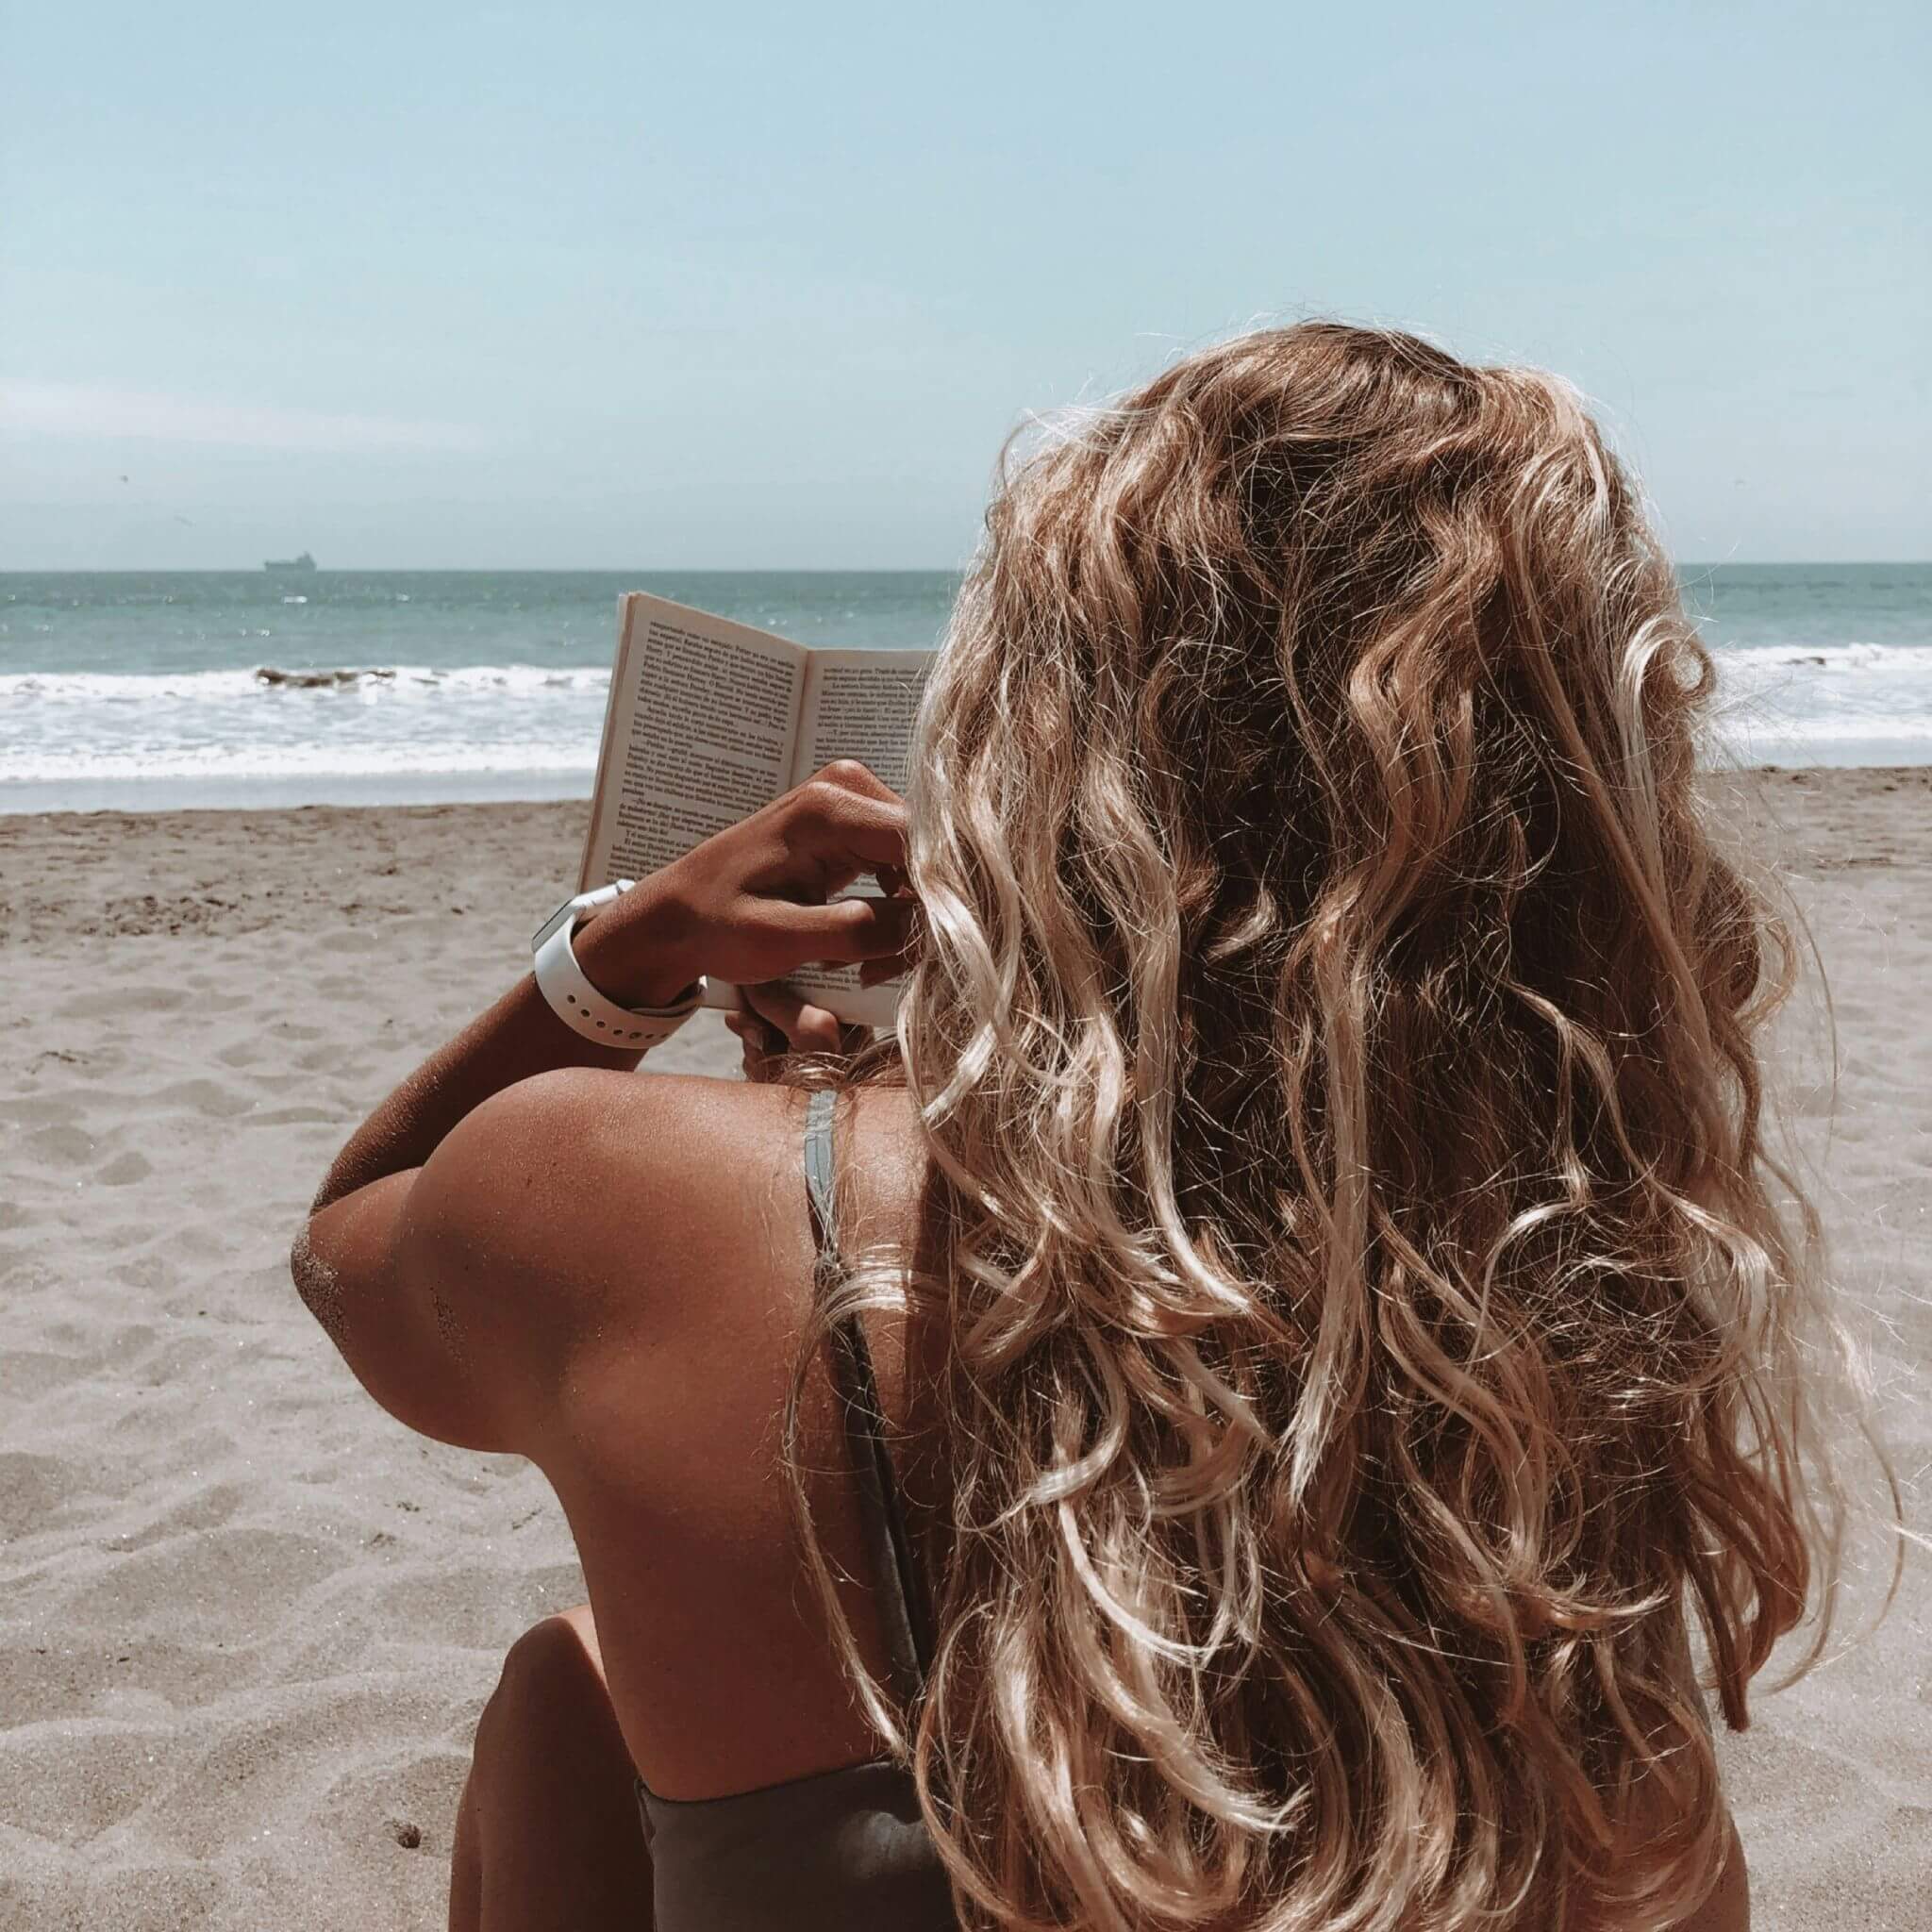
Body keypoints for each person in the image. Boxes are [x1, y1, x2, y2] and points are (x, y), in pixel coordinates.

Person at [291, 323, 1857, 1931]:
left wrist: (624, 963)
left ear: (1034, 736)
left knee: (568, 1690)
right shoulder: (1563, 1300)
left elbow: (356, 1252)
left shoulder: (637, 1203)